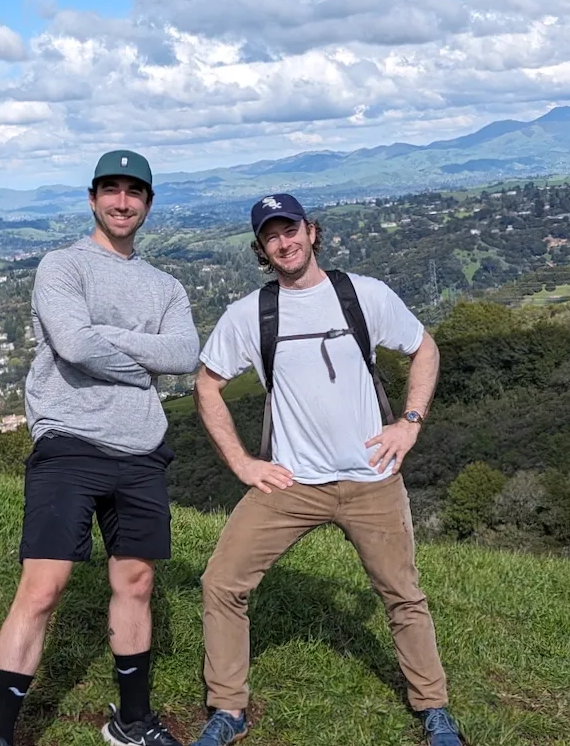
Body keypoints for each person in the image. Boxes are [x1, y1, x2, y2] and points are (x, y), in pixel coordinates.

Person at [188, 193, 464, 746]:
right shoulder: (252, 314)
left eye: (290, 229)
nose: (284, 242)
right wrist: (243, 463)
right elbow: (206, 384)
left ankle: (433, 708)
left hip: (371, 480)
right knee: (222, 582)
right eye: (271, 236)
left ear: (312, 232)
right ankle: (228, 710)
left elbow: (424, 347)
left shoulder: (363, 295)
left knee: (401, 594)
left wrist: (409, 422)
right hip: (290, 483)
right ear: (261, 249)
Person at [0, 150, 198, 746]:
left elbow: (183, 355)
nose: (122, 201)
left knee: (136, 583)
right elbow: (74, 346)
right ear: (92, 197)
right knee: (43, 587)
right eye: (112, 190)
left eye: (134, 192)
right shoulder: (61, 266)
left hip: (140, 448)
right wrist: (139, 366)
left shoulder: (166, 286)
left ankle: (131, 723)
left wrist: (107, 344)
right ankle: (0, 738)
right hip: (69, 442)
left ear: (148, 204)